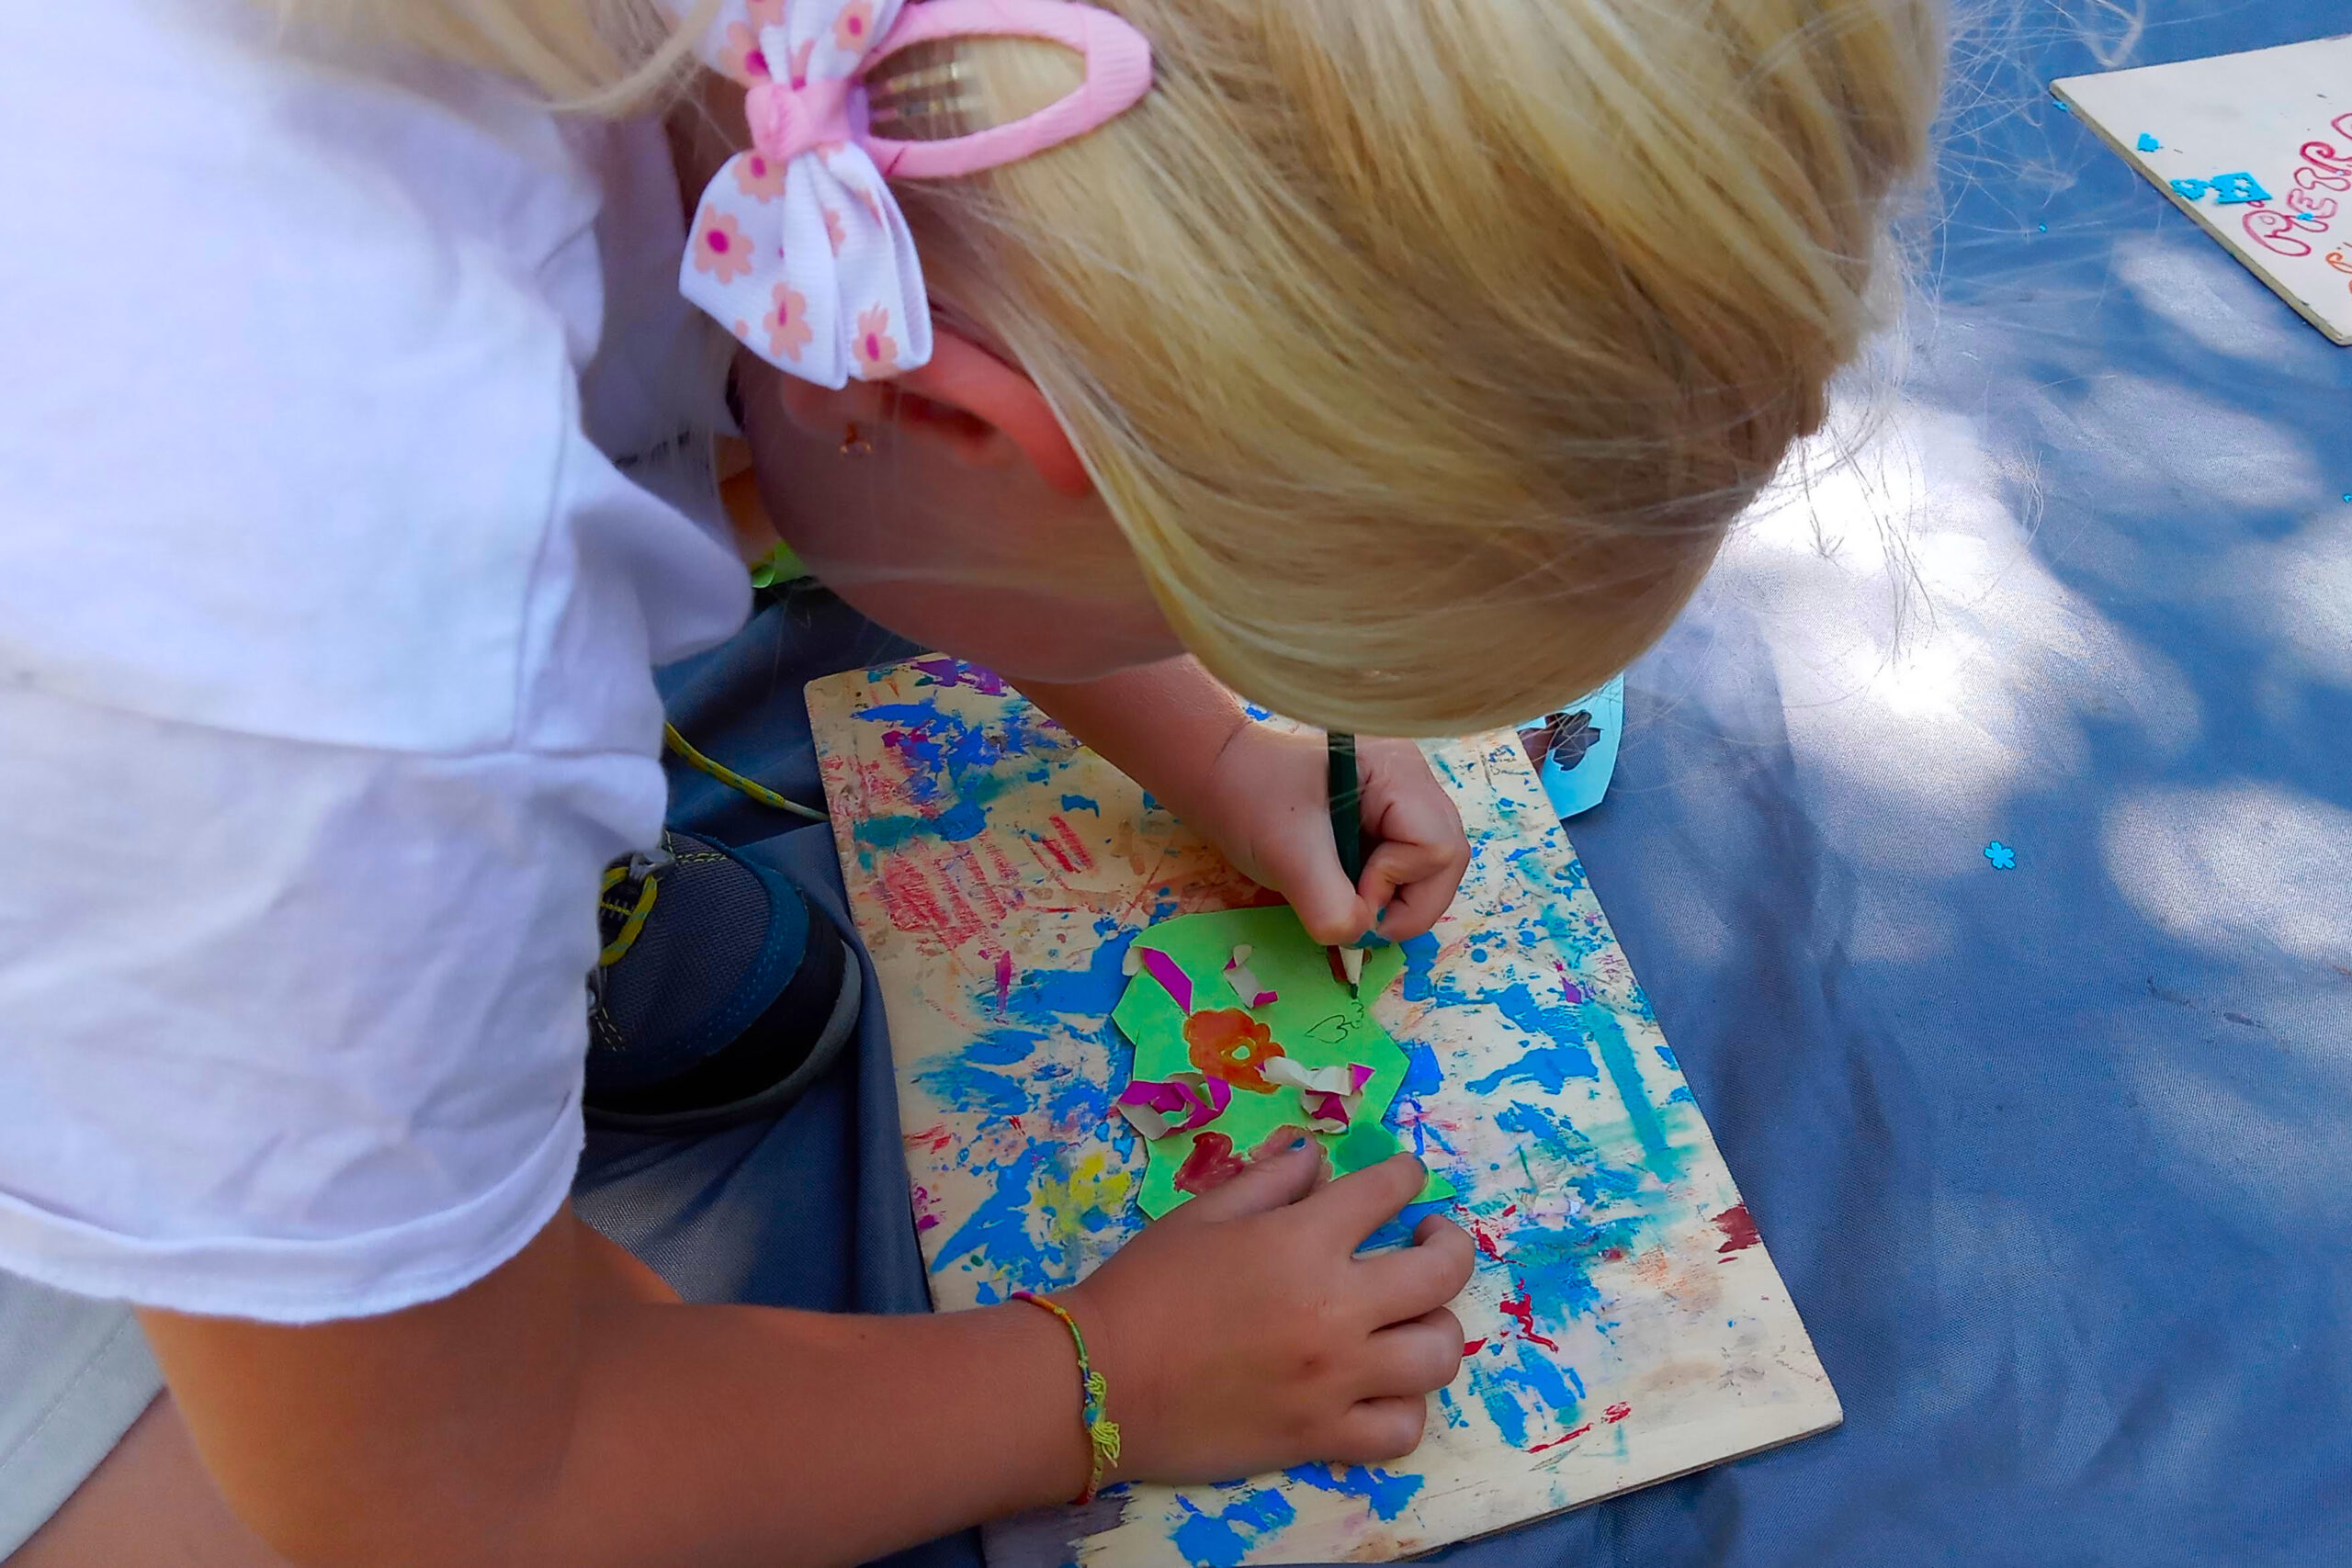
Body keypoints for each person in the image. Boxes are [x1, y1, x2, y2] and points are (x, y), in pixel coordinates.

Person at [0, 0, 1940, 1563]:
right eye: (1189, 615)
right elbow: (443, 1503)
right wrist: (1095, 1376)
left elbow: (912, 411)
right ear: (941, 407)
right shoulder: (346, 694)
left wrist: (1218, 737)